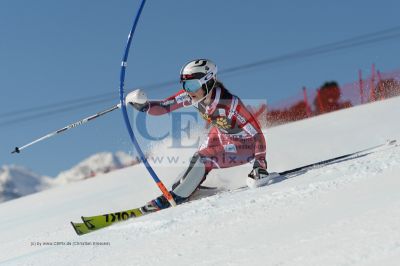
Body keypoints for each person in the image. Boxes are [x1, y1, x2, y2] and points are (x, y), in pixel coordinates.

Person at [125, 59, 276, 213]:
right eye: (184, 85)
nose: (188, 91)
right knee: (197, 158)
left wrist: (260, 164)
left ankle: (177, 196)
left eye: (192, 85)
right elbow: (163, 107)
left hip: (245, 145)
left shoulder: (230, 104)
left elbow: (256, 134)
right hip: (221, 134)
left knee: (203, 158)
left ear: (208, 82)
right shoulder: (193, 96)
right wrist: (144, 106)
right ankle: (183, 189)